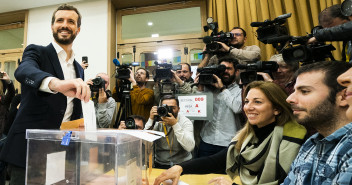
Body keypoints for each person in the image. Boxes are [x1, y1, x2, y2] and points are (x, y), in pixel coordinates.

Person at [0, 4, 90, 185]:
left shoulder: (79, 69)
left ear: (78, 29)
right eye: (60, 20)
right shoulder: (37, 52)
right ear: (52, 26)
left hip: (61, 149)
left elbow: (71, 111)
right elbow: (24, 71)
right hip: (28, 149)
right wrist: (56, 83)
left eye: (71, 21)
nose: (65, 25)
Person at [153, 81, 307, 185]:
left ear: (277, 109)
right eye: (246, 101)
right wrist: (180, 168)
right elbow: (217, 160)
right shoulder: (247, 135)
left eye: (257, 102)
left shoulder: (294, 140)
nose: (248, 107)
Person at [283, 61, 352, 184]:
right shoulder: (311, 144)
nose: (289, 99)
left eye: (304, 91)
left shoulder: (349, 149)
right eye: (294, 91)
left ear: (343, 97)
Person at [196, 56, 242, 157]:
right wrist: (199, 88)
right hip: (207, 140)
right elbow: (197, 109)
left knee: (226, 173)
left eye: (229, 69)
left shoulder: (240, 90)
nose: (225, 71)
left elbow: (237, 108)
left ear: (237, 72)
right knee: (201, 172)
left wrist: (222, 89)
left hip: (229, 142)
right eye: (222, 68)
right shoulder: (209, 87)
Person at [145, 95, 195, 169]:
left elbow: (190, 147)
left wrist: (175, 124)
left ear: (179, 109)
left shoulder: (185, 122)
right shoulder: (157, 121)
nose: (168, 111)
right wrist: (151, 119)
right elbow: (145, 142)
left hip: (182, 163)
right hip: (161, 163)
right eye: (165, 108)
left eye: (172, 108)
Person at [0, 71, 15, 185]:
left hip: (1, 139)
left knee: (1, 170)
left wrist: (8, 81)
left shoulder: (3, 100)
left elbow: (11, 93)